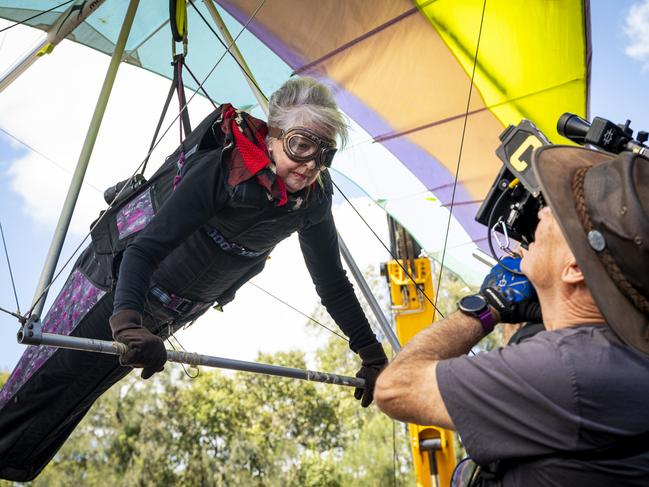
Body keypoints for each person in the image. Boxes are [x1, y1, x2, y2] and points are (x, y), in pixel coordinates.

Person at [0, 77, 388, 482]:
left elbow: (332, 283)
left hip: (167, 312)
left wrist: (371, 354)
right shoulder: (225, 170)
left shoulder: (313, 199)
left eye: (324, 153)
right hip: (115, 290)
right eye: (301, 145)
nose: (311, 164)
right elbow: (143, 250)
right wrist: (127, 324)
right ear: (273, 136)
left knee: (70, 404)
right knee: (37, 394)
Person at [374, 145, 649, 486]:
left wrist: (486, 306)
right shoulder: (616, 356)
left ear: (576, 267)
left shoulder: (566, 369)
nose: (543, 213)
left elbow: (395, 388)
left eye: (559, 211)